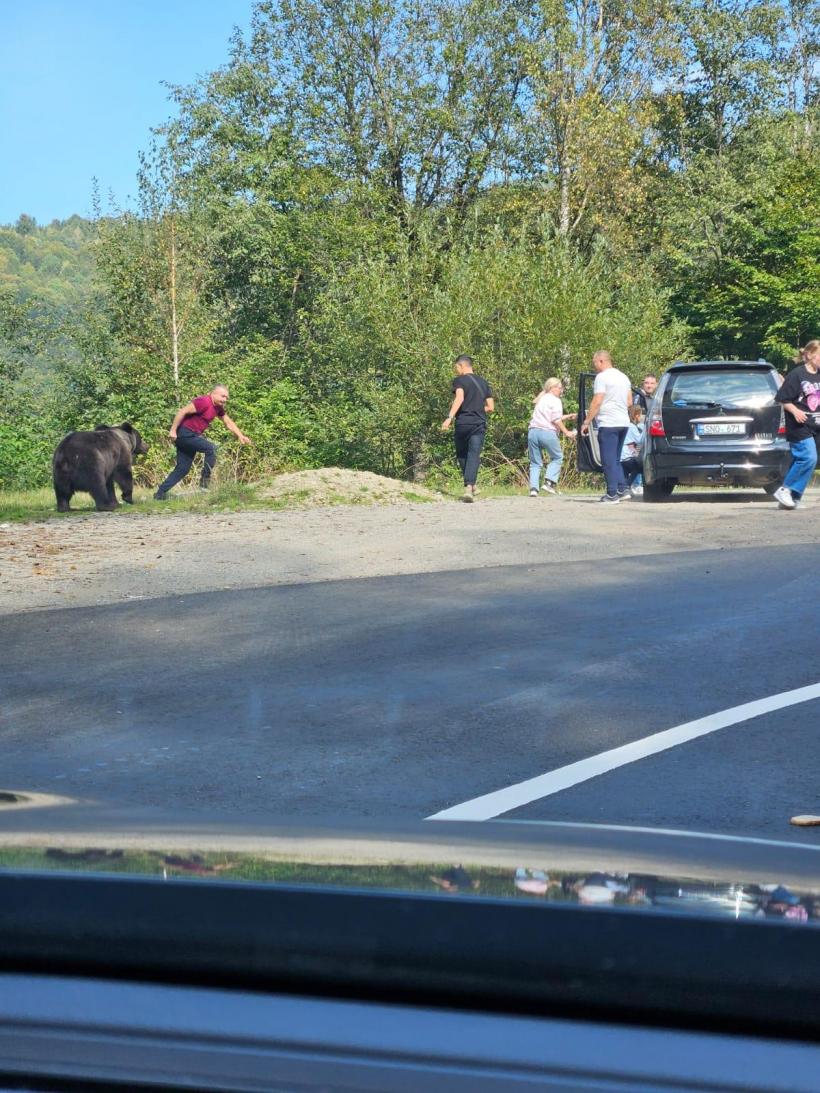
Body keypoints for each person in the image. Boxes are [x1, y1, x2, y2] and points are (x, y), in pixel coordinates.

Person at [154, 384, 251, 500]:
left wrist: (240, 436)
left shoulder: (218, 407)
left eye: (226, 398)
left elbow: (228, 422)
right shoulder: (203, 401)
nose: (225, 400)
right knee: (211, 449)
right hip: (185, 434)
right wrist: (173, 431)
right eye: (223, 396)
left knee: (183, 469)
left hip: (191, 436)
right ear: (213, 393)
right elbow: (182, 411)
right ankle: (204, 484)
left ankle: (159, 494)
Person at [580, 349, 633, 503]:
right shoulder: (623, 377)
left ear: (601, 361)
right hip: (624, 422)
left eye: (595, 363)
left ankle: (611, 494)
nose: (594, 366)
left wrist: (586, 421)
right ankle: (623, 489)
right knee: (615, 459)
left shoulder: (602, 377)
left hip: (609, 423)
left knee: (607, 460)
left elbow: (597, 400)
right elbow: (629, 402)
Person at [772, 340, 820, 510]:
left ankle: (791, 498)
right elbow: (782, 399)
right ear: (809, 355)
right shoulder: (797, 375)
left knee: (807, 460)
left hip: (816, 426)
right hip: (799, 425)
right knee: (808, 457)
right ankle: (785, 489)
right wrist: (796, 411)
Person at [440, 354, 494, 503]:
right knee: (473, 455)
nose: (456, 370)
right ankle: (473, 485)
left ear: (462, 366)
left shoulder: (459, 381)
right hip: (479, 423)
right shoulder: (483, 382)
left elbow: (459, 398)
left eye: (456, 367)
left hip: (463, 423)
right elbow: (490, 407)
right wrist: (477, 408)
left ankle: (468, 488)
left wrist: (449, 418)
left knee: (463, 455)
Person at [527, 378, 576, 496]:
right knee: (557, 457)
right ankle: (549, 482)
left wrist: (568, 416)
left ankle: (533, 489)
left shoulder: (542, 399)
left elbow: (549, 417)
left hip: (533, 432)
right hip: (547, 433)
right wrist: (567, 432)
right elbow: (555, 420)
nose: (561, 390)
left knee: (535, 462)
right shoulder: (555, 400)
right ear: (551, 388)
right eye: (559, 387)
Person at [620, 404, 645, 495]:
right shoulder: (632, 427)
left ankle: (624, 488)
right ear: (636, 415)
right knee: (640, 467)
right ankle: (627, 486)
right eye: (641, 415)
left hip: (621, 456)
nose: (641, 417)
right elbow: (640, 440)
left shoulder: (625, 425)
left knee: (625, 471)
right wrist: (644, 427)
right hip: (627, 455)